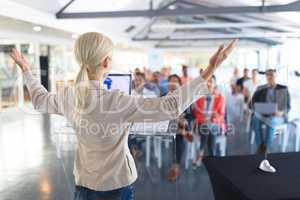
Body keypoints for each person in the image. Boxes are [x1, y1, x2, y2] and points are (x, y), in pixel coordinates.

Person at [10, 32, 237, 200]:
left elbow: (39, 99)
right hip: (117, 186)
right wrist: (208, 71)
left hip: (84, 185)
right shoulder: (118, 101)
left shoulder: (69, 96)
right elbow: (171, 106)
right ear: (107, 62)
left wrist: (27, 69)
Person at [250, 69, 291, 155]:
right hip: (263, 113)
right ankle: (260, 145)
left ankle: (266, 147)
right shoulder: (260, 88)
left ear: (276, 76)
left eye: (272, 75)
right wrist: (258, 109)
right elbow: (252, 104)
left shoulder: (282, 88)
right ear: (266, 77)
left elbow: (287, 106)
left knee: (271, 121)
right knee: (255, 118)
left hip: (277, 116)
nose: (270, 77)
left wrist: (282, 112)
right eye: (268, 75)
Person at [193, 75, 226, 166]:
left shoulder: (220, 98)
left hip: (216, 123)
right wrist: (205, 120)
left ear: (215, 84)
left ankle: (200, 154)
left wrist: (214, 118)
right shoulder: (199, 97)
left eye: (211, 81)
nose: (209, 83)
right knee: (207, 128)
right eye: (207, 81)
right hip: (201, 123)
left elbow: (222, 115)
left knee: (210, 128)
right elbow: (196, 114)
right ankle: (212, 158)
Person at [167, 74, 194, 182]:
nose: (173, 84)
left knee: (178, 136)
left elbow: (191, 114)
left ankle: (175, 167)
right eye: (171, 82)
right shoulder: (163, 97)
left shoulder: (185, 98)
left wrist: (185, 119)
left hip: (179, 125)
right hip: (167, 124)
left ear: (179, 85)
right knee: (178, 131)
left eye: (175, 82)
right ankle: (183, 132)